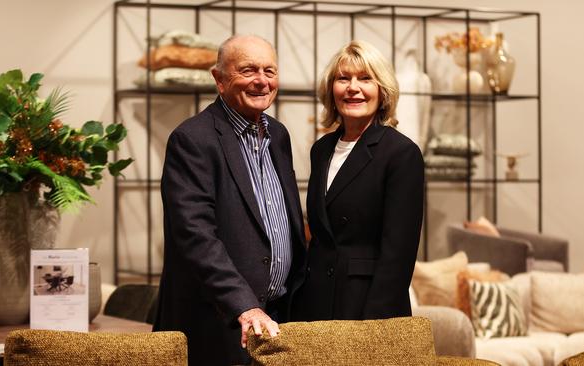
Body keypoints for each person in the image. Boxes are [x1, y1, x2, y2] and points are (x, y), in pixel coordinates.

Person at [153, 34, 306, 366]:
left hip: (275, 321)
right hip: (218, 324)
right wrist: (243, 305)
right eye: (248, 70)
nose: (262, 81)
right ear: (219, 79)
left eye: (270, 70)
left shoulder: (279, 135)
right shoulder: (192, 139)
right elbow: (195, 236)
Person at [291, 40, 424, 322]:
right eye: (343, 78)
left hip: (367, 308)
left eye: (365, 78)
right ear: (331, 89)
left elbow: (398, 255)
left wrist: (373, 326)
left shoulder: (401, 154)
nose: (353, 87)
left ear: (382, 91)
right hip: (316, 304)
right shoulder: (321, 149)